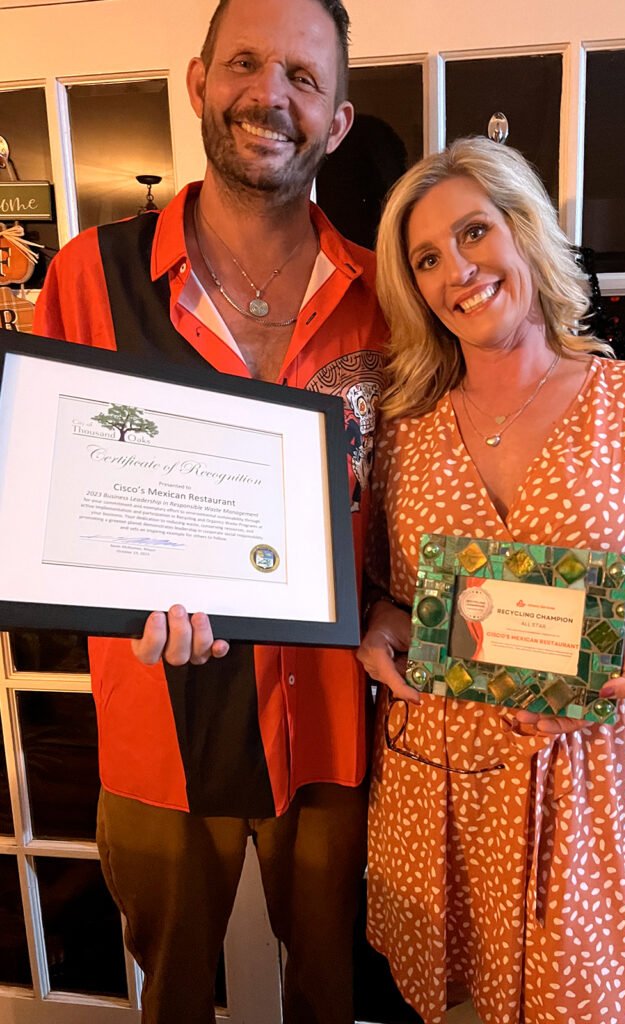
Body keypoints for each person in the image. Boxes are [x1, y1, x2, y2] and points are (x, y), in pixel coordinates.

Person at [32, 1, 387, 1021]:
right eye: (245, 63)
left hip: (333, 723)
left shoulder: (384, 295)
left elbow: (412, 503)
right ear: (199, 81)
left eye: (303, 77)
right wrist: (110, 586)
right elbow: (49, 492)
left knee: (334, 994)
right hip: (153, 716)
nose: (270, 94)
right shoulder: (88, 275)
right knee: (173, 996)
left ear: (339, 118)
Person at [357, 137, 625, 1024]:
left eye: (473, 232)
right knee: (440, 1004)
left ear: (526, 229)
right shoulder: (405, 428)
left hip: (568, 781)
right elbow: (386, 590)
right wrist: (379, 625)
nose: (456, 270)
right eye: (427, 259)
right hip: (434, 780)